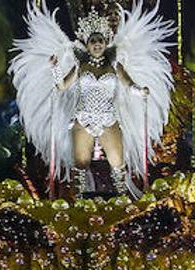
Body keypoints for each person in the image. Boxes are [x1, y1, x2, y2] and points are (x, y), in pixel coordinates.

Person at [11, 1, 173, 196]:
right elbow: (61, 86)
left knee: (118, 164)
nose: (97, 45)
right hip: (83, 119)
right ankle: (78, 203)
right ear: (87, 45)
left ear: (105, 43)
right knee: (80, 165)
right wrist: (54, 68)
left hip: (108, 119)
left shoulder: (114, 66)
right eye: (93, 41)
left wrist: (141, 91)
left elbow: (129, 85)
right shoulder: (80, 66)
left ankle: (122, 202)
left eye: (100, 41)